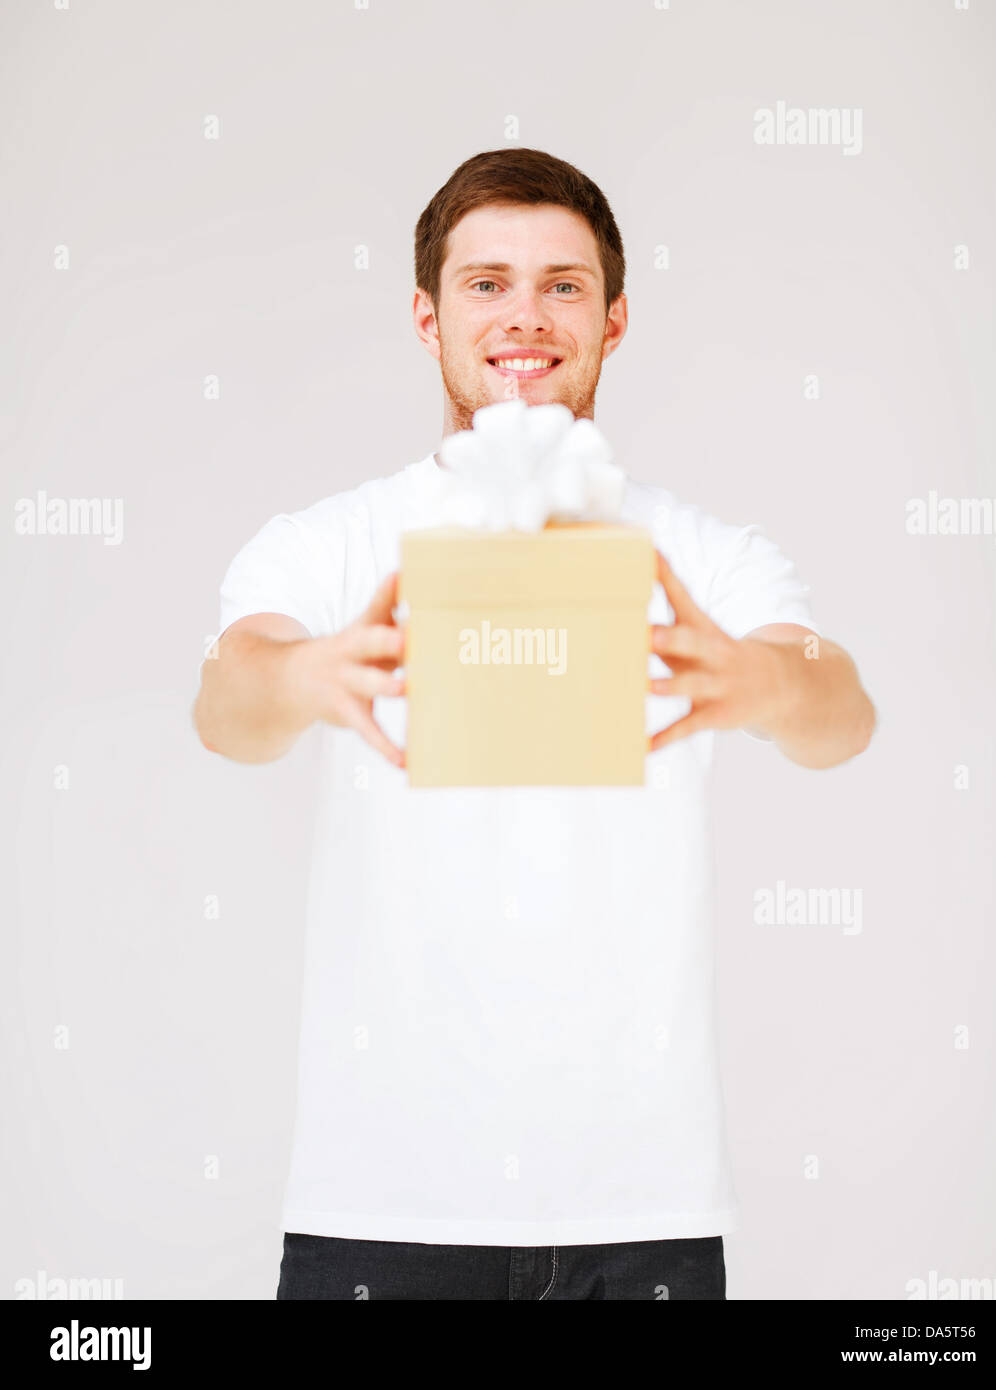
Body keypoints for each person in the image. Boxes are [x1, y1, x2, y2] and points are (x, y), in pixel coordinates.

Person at [192, 148, 876, 1301]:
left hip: (643, 1200)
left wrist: (759, 681)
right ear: (427, 315)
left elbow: (840, 706)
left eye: (563, 284)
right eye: (486, 282)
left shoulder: (698, 552)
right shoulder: (334, 544)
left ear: (614, 319)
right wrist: (310, 670)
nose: (526, 315)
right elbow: (229, 701)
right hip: (383, 1199)